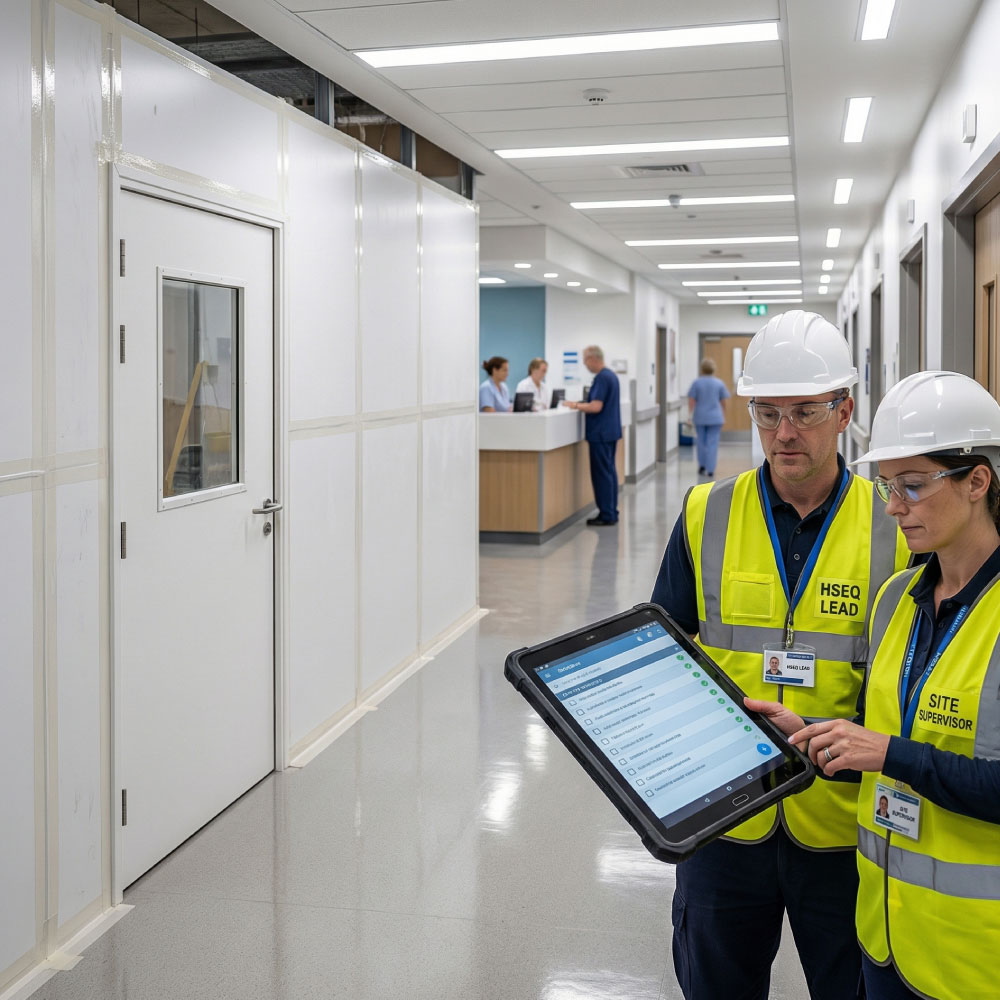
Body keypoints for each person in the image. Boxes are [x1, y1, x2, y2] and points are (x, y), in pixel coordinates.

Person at [650, 310, 910, 1000]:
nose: (784, 433)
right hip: (724, 816)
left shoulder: (895, 525)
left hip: (843, 821)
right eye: (768, 414)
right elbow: (665, 652)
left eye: (804, 412)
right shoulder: (706, 511)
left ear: (845, 412)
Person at [750, 370, 1000, 1000]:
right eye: (888, 485)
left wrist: (890, 754)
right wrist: (813, 736)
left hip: (976, 956)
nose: (892, 506)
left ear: (977, 481)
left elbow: (896, 752)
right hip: (885, 934)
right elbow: (882, 735)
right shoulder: (897, 599)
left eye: (913, 485)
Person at [566, 345, 622, 526]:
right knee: (609, 472)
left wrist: (574, 405)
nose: (584, 364)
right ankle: (611, 511)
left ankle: (606, 514)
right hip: (609, 432)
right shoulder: (611, 376)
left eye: (585, 360)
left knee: (602, 475)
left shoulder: (602, 378)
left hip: (600, 434)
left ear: (593, 358)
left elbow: (596, 406)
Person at [687, 357, 730, 477]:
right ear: (713, 369)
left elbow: (692, 401)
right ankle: (710, 469)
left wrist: (689, 416)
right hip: (715, 418)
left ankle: (702, 466)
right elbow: (723, 402)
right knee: (712, 443)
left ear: (702, 369)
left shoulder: (697, 383)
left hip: (700, 417)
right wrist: (723, 414)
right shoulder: (719, 383)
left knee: (700, 442)